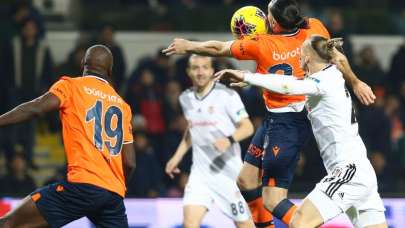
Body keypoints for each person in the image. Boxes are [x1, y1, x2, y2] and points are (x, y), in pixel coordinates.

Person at [163, 0, 375, 226]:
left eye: (267, 13)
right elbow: (336, 57)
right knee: (245, 180)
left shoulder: (260, 43)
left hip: (287, 121)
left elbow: (219, 48)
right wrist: (356, 82)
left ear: (273, 22)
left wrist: (188, 45)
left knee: (273, 200)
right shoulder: (315, 28)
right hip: (277, 117)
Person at [214, 36, 387, 228]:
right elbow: (288, 80)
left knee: (299, 222)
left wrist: (247, 76)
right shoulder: (331, 74)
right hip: (361, 170)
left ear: (306, 59)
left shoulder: (322, 82)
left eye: (300, 54)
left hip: (347, 172)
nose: (298, 58)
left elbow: (288, 87)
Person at [0, 45, 135, 228]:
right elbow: (129, 162)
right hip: (113, 195)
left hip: (83, 186)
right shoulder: (123, 106)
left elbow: (35, 108)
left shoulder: (71, 86)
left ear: (82, 64)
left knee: (9, 223)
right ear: (110, 70)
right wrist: (114, 186)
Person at [165, 54, 255, 228]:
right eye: (195, 68)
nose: (200, 72)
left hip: (229, 174)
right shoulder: (186, 98)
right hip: (200, 174)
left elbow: (248, 127)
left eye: (205, 67)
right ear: (188, 72)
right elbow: (192, 129)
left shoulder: (227, 96)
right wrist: (177, 156)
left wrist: (228, 140)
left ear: (213, 71)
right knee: (189, 223)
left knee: (245, 225)